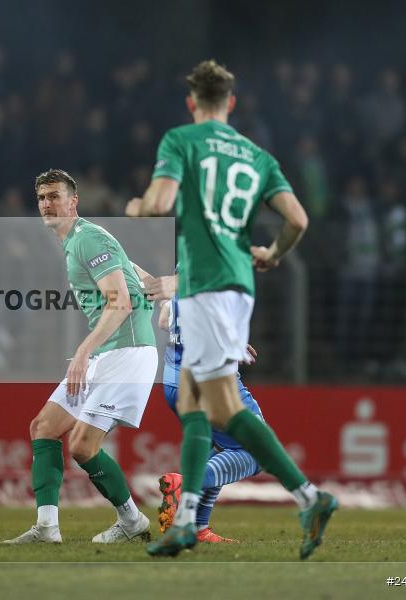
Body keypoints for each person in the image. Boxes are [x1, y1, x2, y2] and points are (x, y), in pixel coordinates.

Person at [126, 60, 336, 559]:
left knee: (220, 406)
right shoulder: (257, 156)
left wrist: (136, 207)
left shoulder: (181, 140)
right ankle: (188, 522)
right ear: (232, 104)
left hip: (203, 285)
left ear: (191, 103)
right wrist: (274, 253)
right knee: (200, 401)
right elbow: (298, 220)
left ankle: (310, 496)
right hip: (239, 286)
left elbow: (159, 204)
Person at [2, 168, 158, 544]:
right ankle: (46, 527)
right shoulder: (81, 240)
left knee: (83, 446)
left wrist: (83, 353)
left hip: (126, 352)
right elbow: (147, 285)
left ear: (73, 202)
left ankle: (132, 521)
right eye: (41, 198)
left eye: (55, 196)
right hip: (108, 351)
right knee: (44, 428)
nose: (47, 204)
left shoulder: (88, 239)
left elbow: (119, 302)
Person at [153, 275, 263, 544]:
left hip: (175, 380)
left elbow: (164, 320)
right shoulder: (214, 261)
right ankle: (184, 484)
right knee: (257, 450)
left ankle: (199, 528)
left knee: (224, 449)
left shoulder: (185, 266)